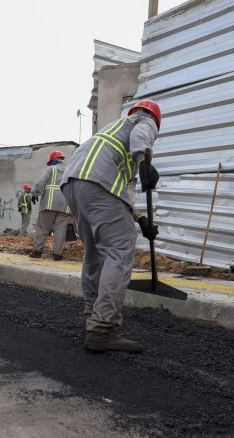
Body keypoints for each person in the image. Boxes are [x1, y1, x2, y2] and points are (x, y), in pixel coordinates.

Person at [61, 99, 161, 353]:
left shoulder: (111, 132)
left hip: (74, 185)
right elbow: (142, 135)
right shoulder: (143, 120)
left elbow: (121, 193)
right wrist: (145, 162)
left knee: (94, 253)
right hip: (97, 184)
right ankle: (103, 327)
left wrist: (140, 219)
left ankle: (91, 315)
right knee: (120, 249)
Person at [30, 151, 70, 261]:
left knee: (42, 228)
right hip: (65, 206)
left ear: (52, 160)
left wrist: (34, 194)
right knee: (60, 230)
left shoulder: (51, 169)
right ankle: (58, 254)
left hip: (49, 203)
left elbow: (41, 182)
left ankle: (37, 251)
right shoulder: (69, 170)